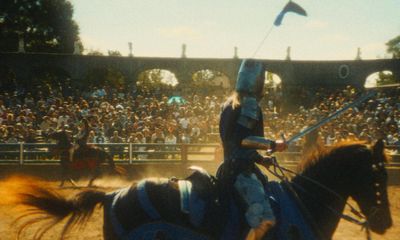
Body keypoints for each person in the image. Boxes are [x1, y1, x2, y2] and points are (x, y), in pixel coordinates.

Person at [218, 59, 287, 240]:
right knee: (266, 219)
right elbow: (243, 140)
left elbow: (235, 142)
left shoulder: (230, 103)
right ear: (257, 81)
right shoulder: (249, 104)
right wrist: (273, 144)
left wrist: (261, 159)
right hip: (241, 173)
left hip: (231, 167)